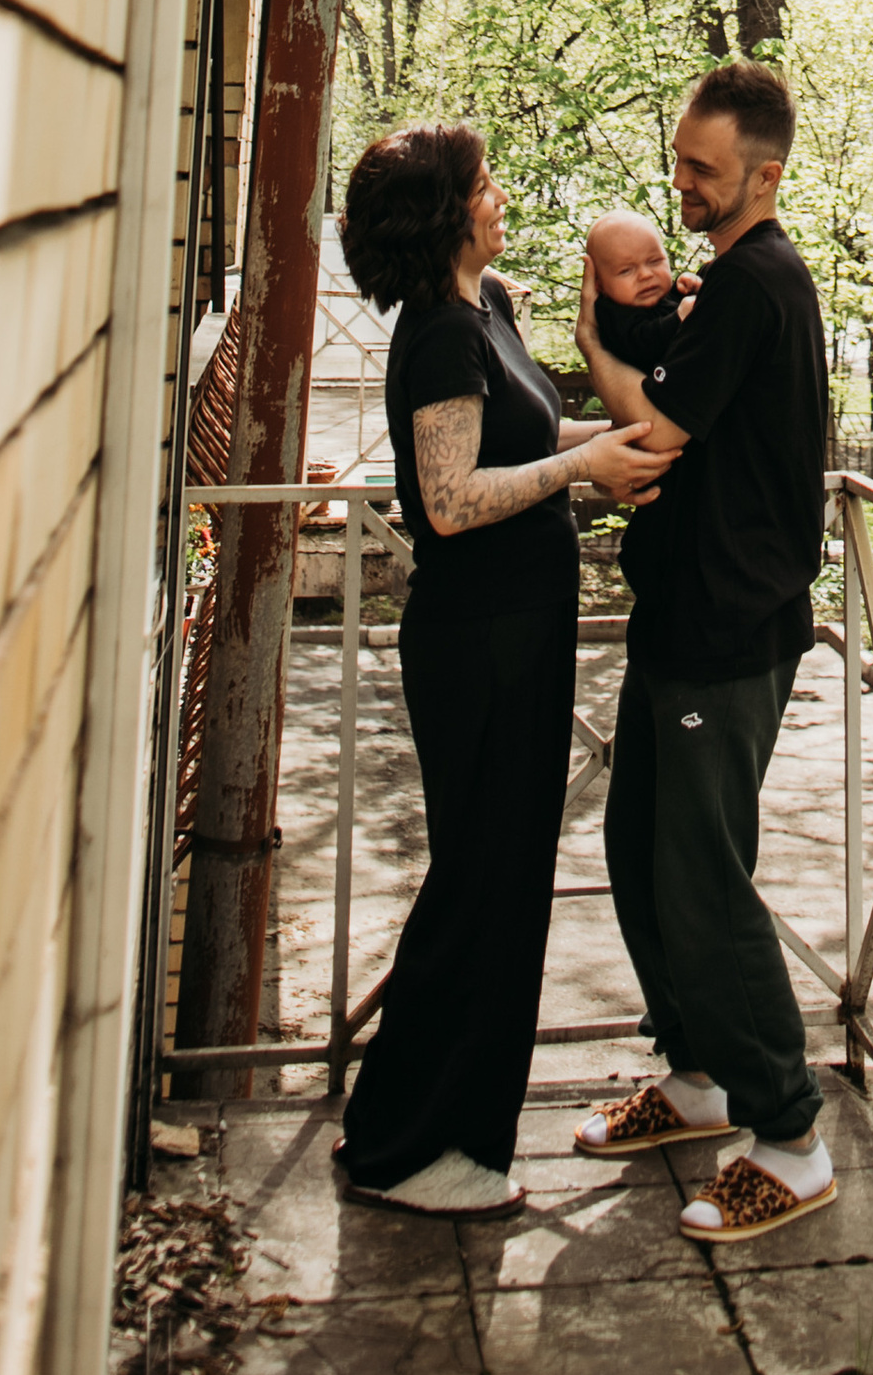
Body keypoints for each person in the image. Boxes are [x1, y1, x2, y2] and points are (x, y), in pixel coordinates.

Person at [333, 121, 672, 1214]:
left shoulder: (488, 307)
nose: (501, 193)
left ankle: (445, 1136)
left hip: (521, 634)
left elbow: (528, 435)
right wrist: (583, 465)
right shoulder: (437, 332)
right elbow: (449, 501)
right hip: (476, 645)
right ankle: (405, 1146)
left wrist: (604, 405)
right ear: (446, 213)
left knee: (504, 884)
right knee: (478, 890)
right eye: (484, 185)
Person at [569, 61, 835, 1241]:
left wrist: (589, 333)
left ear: (763, 176)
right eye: (678, 161)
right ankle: (694, 1082)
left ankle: (788, 1137)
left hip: (730, 633)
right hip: (682, 618)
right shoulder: (721, 284)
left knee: (704, 883)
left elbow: (651, 431)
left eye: (703, 170)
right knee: (640, 850)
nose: (682, 184)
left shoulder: (755, 284)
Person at [583, 206, 695, 369]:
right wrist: (678, 318)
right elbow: (644, 343)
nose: (646, 275)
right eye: (626, 270)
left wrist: (679, 290)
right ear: (599, 285)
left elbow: (664, 309)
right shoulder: (612, 315)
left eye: (655, 261)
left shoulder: (652, 298)